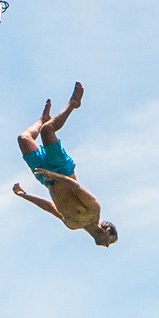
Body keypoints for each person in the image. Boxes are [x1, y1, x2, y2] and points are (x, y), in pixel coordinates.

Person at [13, 83, 118, 247]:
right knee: (48, 131)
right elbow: (75, 186)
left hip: (45, 178)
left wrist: (24, 195)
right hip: (61, 169)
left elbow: (49, 206)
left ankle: (42, 119)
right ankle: (73, 104)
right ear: (107, 230)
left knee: (24, 139)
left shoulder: (72, 225)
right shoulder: (93, 210)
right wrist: (54, 175)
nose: (107, 245)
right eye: (110, 241)